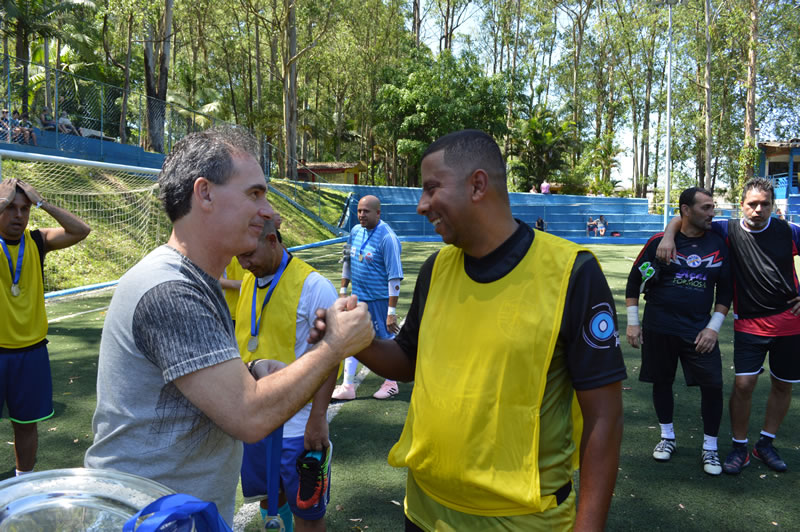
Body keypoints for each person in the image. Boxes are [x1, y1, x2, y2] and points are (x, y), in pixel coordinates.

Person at [84, 127, 375, 526]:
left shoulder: (194, 281)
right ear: (204, 193)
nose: (268, 211)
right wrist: (334, 346)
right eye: (254, 194)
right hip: (150, 518)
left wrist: (250, 370)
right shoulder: (170, 289)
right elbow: (248, 417)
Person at [336, 130, 625, 530]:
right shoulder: (436, 269)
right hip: (423, 511)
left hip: (522, 522)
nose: (421, 205)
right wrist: (359, 340)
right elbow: (407, 359)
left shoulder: (572, 273)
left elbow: (604, 416)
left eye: (431, 188)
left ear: (477, 185)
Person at [656, 177, 800, 475]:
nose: (758, 210)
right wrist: (668, 236)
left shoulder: (789, 231)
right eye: (752, 204)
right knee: (744, 385)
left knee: (782, 384)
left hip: (790, 322)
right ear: (742, 204)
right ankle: (739, 447)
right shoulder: (727, 229)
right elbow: (683, 217)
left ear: (773, 205)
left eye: (765, 204)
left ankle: (766, 443)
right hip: (748, 321)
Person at [235, 219, 338, 531]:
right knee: (269, 500)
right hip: (256, 422)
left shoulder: (314, 286)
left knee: (308, 513)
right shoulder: (249, 280)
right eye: (239, 256)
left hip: (297, 426)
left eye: (248, 255)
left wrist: (318, 417)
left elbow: (332, 353)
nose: (244, 264)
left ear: (272, 240)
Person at [625, 187, 732, 476]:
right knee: (662, 381)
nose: (712, 213)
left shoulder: (719, 243)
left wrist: (713, 329)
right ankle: (667, 437)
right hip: (659, 327)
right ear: (686, 210)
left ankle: (710, 447)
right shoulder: (657, 243)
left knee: (713, 386)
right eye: (706, 208)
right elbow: (634, 283)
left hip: (699, 331)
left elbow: (725, 293)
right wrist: (633, 322)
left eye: (713, 207)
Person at [0, 177, 91, 477]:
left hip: (31, 352)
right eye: (10, 208)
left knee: (27, 425)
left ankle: (23, 482)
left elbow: (81, 230)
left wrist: (43, 203)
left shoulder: (37, 241)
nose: (18, 215)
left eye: (24, 208)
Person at [333, 195, 404, 401]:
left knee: (386, 340)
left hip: (379, 300)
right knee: (351, 337)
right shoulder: (355, 231)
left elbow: (394, 277)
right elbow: (347, 260)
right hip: (358, 298)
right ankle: (348, 386)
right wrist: (343, 290)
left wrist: (391, 312)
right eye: (359, 211)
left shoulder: (387, 238)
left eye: (366, 211)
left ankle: (391, 383)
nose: (361, 215)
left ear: (378, 213)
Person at [220, 256, 245, 326]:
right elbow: (214, 279)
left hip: (254, 311)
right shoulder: (222, 251)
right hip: (230, 313)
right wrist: (243, 284)